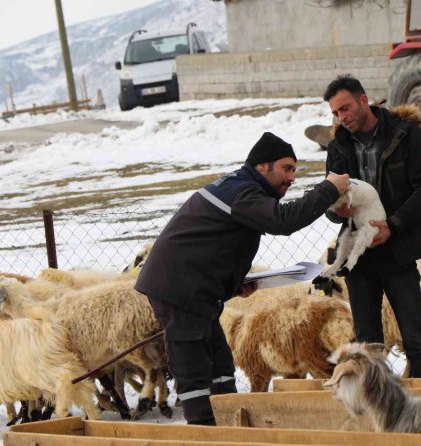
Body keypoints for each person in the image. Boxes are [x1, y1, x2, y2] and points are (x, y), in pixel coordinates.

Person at [134, 132, 350, 425]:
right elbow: (283, 221)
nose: (291, 178)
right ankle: (205, 432)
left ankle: (228, 422)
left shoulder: (240, 189)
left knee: (221, 363)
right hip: (179, 290)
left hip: (194, 289)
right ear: (263, 166)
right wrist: (328, 189)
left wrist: (233, 283)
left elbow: (212, 246)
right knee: (194, 367)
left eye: (294, 170)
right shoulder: (241, 192)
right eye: (286, 168)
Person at [322, 74, 421, 378]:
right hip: (360, 254)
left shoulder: (406, 135)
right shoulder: (338, 147)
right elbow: (328, 199)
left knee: (416, 338)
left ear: (364, 100)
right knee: (367, 345)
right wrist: (338, 213)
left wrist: (392, 225)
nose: (341, 118)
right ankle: (378, 411)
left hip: (399, 249)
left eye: (345, 108)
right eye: (335, 113)